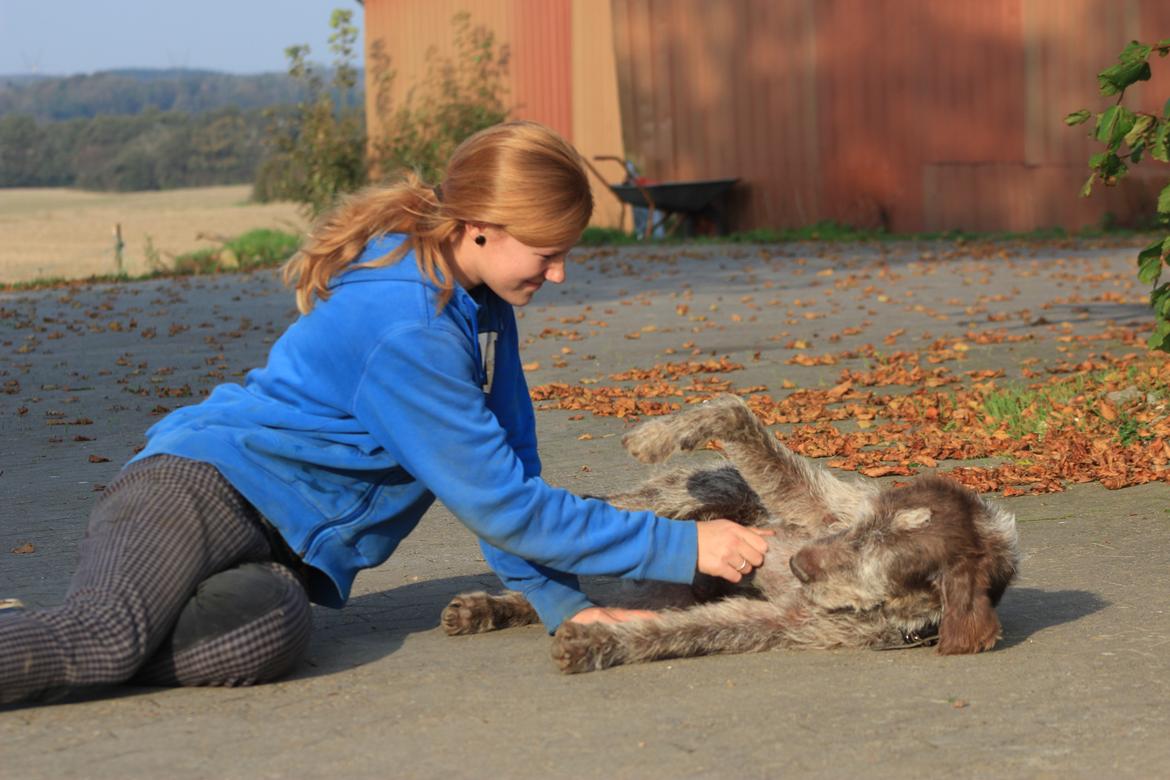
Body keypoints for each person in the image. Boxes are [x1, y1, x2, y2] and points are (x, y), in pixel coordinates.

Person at [0, 120, 771, 706]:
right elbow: (504, 508)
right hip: (200, 490)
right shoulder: (411, 327)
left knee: (266, 637)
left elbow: (508, 479)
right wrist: (681, 547)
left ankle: (131, 635)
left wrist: (567, 609)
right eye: (547, 251)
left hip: (280, 550)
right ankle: (97, 637)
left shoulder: (481, 304)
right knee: (103, 641)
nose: (560, 271)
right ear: (481, 228)